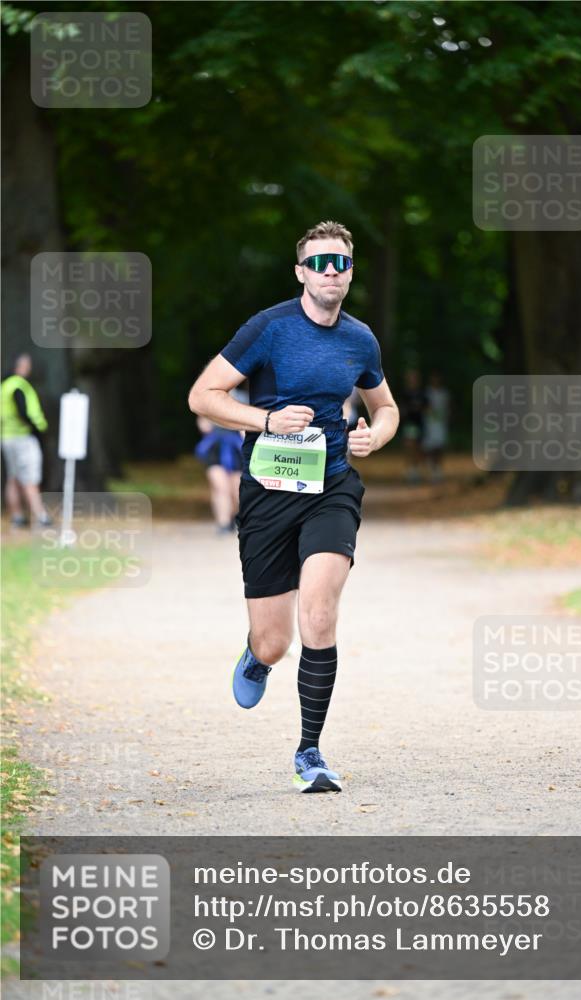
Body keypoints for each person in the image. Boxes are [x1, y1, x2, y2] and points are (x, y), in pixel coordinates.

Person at [188, 220, 399, 793]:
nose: (331, 271)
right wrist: (266, 420)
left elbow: (386, 408)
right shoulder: (270, 328)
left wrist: (373, 437)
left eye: (341, 262)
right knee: (275, 640)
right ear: (301, 272)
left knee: (321, 613)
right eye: (319, 262)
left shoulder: (361, 339)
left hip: (332, 486)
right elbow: (202, 395)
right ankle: (258, 657)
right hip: (268, 491)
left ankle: (310, 751)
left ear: (351, 272)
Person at [1, 354, 52, 528]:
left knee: (13, 477)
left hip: (7, 437)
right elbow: (23, 411)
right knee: (30, 477)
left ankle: (17, 516)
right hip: (23, 437)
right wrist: (36, 428)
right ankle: (40, 515)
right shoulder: (19, 386)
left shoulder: (4, 386)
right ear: (19, 366)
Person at [194, 389, 247, 534]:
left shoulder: (242, 397)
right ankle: (222, 523)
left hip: (235, 448)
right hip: (215, 447)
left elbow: (245, 426)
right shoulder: (208, 394)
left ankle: (232, 517)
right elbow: (203, 425)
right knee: (220, 486)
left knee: (236, 491)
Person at [422, 371, 450, 483]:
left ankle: (438, 470)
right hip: (429, 424)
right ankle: (433, 469)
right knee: (430, 448)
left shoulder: (444, 393)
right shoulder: (426, 393)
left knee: (439, 447)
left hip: (441, 424)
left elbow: (448, 408)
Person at [400, 368, 426, 484]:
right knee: (410, 446)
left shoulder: (422, 393)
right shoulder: (405, 393)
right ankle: (411, 471)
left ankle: (416, 470)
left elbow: (427, 407)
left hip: (420, 423)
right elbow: (401, 408)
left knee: (418, 448)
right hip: (409, 424)